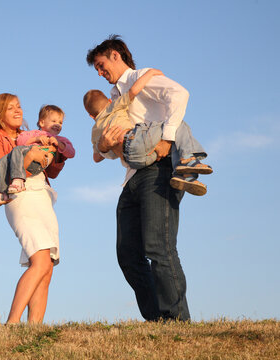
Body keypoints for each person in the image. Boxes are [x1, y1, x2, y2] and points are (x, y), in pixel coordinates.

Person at [86, 35, 198, 321]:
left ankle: (178, 322)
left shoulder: (140, 78)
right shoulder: (114, 99)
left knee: (158, 247)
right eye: (96, 70)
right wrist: (102, 145)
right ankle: (157, 320)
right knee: (128, 255)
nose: (100, 73)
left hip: (158, 168)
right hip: (131, 177)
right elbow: (108, 150)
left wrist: (167, 140)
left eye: (100, 65)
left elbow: (181, 94)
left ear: (114, 54)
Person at [0, 93, 68, 324]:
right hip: (20, 197)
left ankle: (34, 329)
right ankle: (12, 322)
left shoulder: (30, 135)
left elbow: (53, 171)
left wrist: (54, 153)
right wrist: (30, 156)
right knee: (39, 261)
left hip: (43, 196)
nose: (18, 111)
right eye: (11, 108)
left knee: (47, 265)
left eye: (19, 106)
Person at [83, 80, 212, 196]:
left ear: (91, 116)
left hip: (133, 161)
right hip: (135, 141)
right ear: (110, 101)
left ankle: (185, 175)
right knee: (175, 125)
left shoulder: (95, 131)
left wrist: (104, 146)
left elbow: (96, 157)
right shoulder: (113, 106)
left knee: (170, 145)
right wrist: (151, 73)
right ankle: (188, 159)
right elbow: (134, 91)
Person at [0, 105, 75, 208]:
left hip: (39, 162)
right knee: (3, 160)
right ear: (42, 122)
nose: (57, 124)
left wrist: (59, 144)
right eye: (54, 121)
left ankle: (18, 180)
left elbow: (71, 153)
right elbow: (20, 141)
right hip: (26, 156)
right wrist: (36, 139)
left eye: (60, 122)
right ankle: (1, 194)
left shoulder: (60, 139)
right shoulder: (33, 133)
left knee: (16, 151)